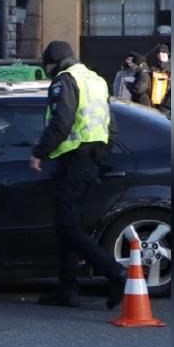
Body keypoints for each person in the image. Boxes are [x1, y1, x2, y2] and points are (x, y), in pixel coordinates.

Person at [29, 40, 127, 309]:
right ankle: (67, 289)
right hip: (90, 160)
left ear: (53, 63)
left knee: (68, 226)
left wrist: (39, 152)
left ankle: (115, 273)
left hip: (74, 160)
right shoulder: (95, 79)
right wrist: (100, 154)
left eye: (47, 65)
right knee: (69, 227)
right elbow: (111, 125)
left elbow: (61, 122)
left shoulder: (65, 80)